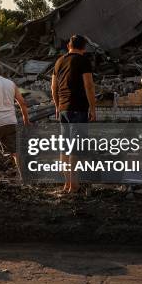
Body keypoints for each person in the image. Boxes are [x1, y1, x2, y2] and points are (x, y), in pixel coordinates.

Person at [51, 34, 96, 193]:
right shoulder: (83, 61)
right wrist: (93, 108)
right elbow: (89, 86)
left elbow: (53, 88)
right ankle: (74, 185)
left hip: (63, 109)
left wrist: (57, 106)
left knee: (65, 148)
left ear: (68, 46)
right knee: (75, 149)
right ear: (84, 47)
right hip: (78, 109)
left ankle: (66, 184)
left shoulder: (59, 61)